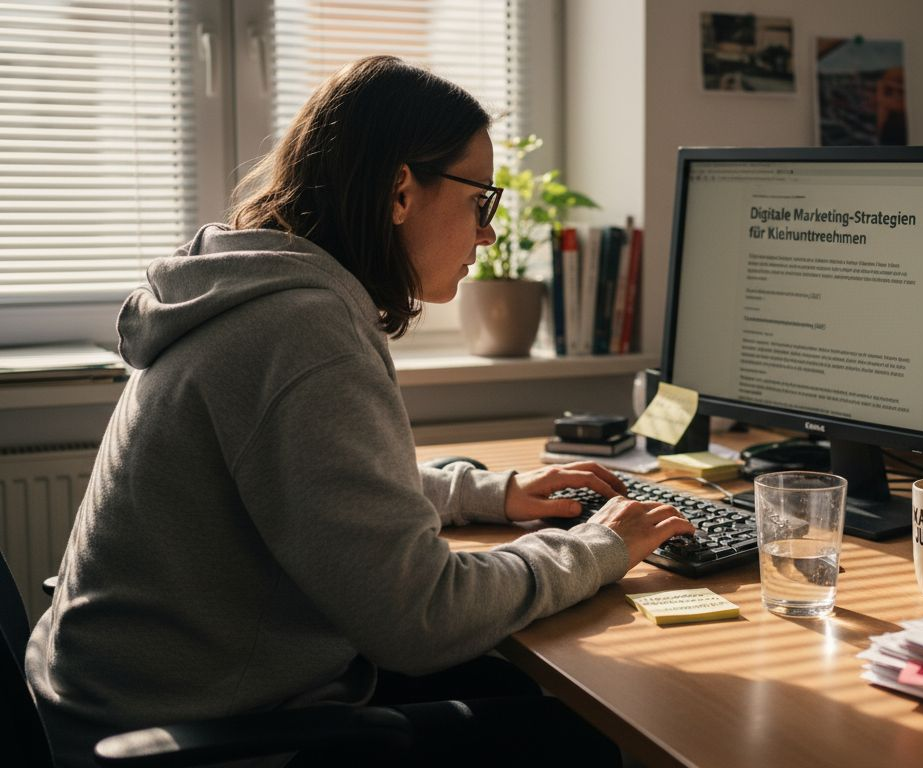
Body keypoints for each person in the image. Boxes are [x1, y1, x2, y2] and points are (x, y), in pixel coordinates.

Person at [25, 55, 695, 767]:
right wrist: (599, 549)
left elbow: (319, 488)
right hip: (188, 735)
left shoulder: (257, 298)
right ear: (400, 190)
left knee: (511, 687)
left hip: (122, 703)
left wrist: (484, 492)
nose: (488, 233)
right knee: (580, 738)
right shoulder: (303, 333)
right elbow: (422, 617)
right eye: (481, 201)